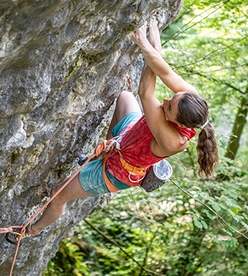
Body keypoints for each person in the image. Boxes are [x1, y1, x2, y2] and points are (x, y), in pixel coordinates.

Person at [23, 18, 218, 237]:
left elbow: (146, 92)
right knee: (125, 96)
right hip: (130, 136)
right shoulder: (190, 101)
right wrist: (154, 40)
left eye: (169, 108)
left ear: (180, 123)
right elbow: (164, 72)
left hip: (118, 171)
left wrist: (144, 45)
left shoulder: (174, 141)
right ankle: (102, 152)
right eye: (172, 98)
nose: (165, 101)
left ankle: (31, 230)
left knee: (57, 193)